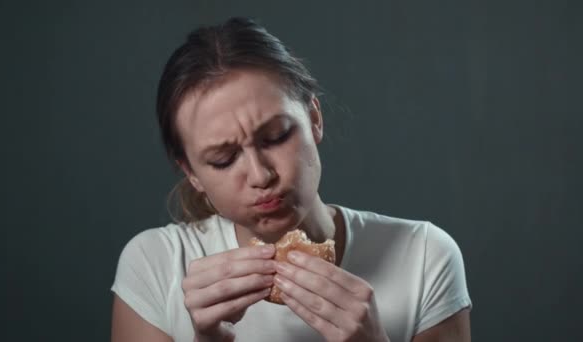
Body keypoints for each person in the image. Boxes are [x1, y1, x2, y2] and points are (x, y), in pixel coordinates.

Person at [110, 17, 472, 342]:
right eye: (224, 159)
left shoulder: (425, 256)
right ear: (192, 173)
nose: (260, 175)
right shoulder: (156, 264)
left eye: (277, 136)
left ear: (314, 117)